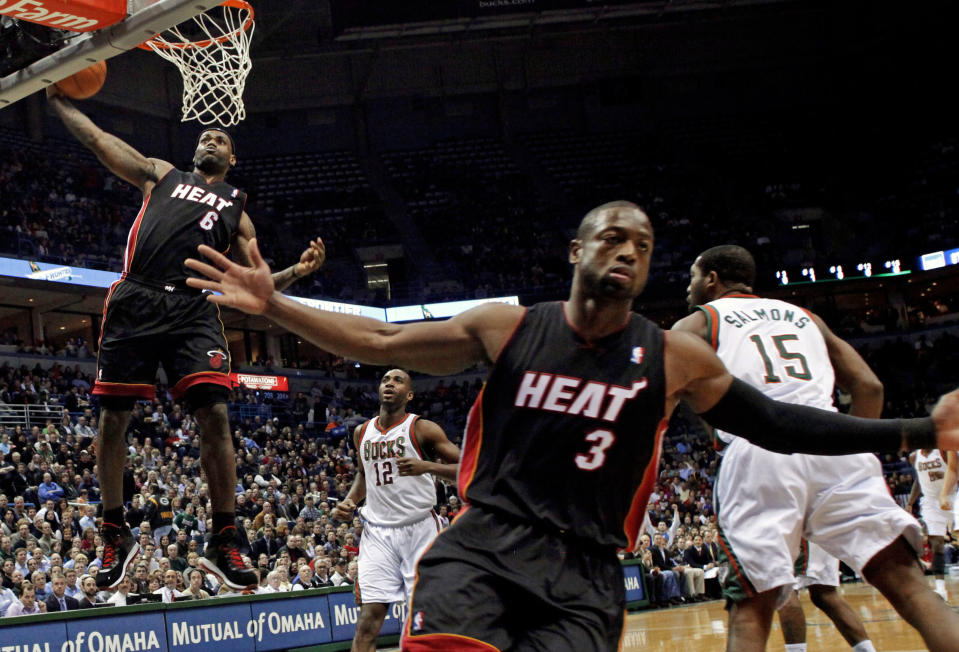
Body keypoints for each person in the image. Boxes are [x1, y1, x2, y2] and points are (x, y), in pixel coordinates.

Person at [184, 201, 959, 651]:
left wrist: (915, 432)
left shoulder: (676, 359)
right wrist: (275, 304)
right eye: (613, 237)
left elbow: (785, 424)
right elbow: (383, 343)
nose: (628, 250)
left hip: (585, 574)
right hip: (483, 550)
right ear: (577, 250)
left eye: (644, 246)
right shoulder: (508, 326)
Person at [46, 86, 324, 592]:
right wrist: (59, 102)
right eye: (205, 136)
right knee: (112, 420)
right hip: (136, 298)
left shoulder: (237, 209)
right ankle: (114, 531)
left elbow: (253, 285)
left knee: (215, 414)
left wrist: (294, 273)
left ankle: (224, 536)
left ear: (232, 157)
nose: (211, 140)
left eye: (221, 138)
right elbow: (100, 141)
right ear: (194, 152)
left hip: (194, 306)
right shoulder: (162, 173)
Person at [675, 243, 948, 651]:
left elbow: (679, 379)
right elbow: (869, 386)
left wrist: (714, 430)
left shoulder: (698, 321)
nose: (689, 287)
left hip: (759, 447)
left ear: (711, 279)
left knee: (752, 607)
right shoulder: (807, 317)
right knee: (910, 587)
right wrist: (854, 448)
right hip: (833, 441)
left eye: (693, 277)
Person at [332, 369, 460, 652]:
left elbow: (468, 468)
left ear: (409, 395)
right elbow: (365, 476)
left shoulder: (422, 428)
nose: (390, 383)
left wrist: (428, 467)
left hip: (420, 529)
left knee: (426, 621)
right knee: (367, 621)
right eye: (385, 379)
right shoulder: (361, 432)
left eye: (398, 380)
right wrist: (351, 500)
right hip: (377, 533)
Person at [908, 448, 957, 601]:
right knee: (936, 543)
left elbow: (954, 470)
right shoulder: (914, 456)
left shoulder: (943, 450)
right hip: (931, 502)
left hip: (953, 496)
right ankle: (940, 588)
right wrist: (910, 502)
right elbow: (919, 480)